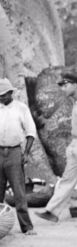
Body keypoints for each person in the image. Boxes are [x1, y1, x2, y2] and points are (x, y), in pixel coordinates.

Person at [0, 78, 37, 235]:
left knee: (19, 192)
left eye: (3, 95)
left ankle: (27, 227)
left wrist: (26, 153)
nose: (0, 98)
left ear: (10, 93)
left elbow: (30, 133)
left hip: (15, 153)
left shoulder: (21, 109)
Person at [36, 73, 77, 223]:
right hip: (74, 144)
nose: (64, 89)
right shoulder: (74, 102)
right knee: (68, 179)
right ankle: (52, 212)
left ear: (75, 84)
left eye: (66, 86)